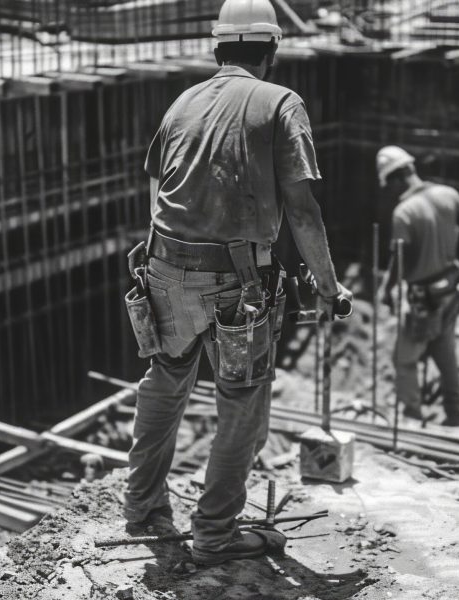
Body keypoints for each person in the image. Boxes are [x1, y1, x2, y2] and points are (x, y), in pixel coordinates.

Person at [124, 0, 349, 565]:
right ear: (271, 50)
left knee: (166, 379)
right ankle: (215, 535)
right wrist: (328, 287)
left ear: (217, 47)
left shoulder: (183, 101)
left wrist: (166, 266)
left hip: (164, 267)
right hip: (238, 284)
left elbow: (157, 193)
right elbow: (302, 210)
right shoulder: (280, 103)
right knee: (243, 403)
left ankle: (143, 508)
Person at [378, 145, 459, 427]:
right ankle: (455, 415)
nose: (389, 190)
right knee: (444, 352)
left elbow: (398, 259)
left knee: (404, 359)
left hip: (422, 300)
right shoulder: (448, 194)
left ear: (397, 177)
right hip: (450, 291)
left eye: (388, 183)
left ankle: (412, 417)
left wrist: (386, 290)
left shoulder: (404, 213)